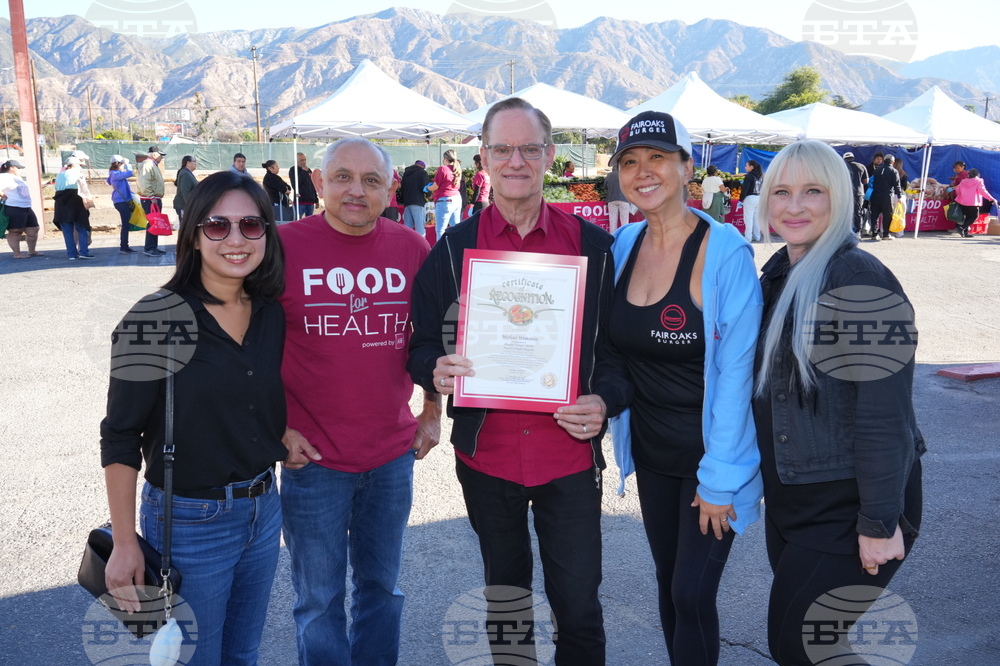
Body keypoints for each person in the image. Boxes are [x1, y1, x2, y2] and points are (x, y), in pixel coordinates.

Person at [407, 97, 632, 665]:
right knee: (505, 602)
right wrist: (433, 370)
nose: (516, 161)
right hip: (488, 458)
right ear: (483, 157)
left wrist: (605, 400)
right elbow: (419, 343)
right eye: (502, 148)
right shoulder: (455, 248)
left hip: (570, 457)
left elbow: (620, 356)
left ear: (549, 157)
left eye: (529, 148)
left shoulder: (594, 248)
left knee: (579, 607)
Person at [100, 170, 288, 665]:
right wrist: (124, 543)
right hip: (189, 521)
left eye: (251, 225)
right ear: (193, 233)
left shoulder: (270, 311)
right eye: (217, 225)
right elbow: (120, 436)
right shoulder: (155, 319)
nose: (235, 239)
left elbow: (251, 396)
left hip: (264, 508)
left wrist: (281, 432)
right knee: (194, 659)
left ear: (267, 232)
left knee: (242, 654)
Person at [753, 139, 923, 665]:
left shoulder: (860, 278)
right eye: (781, 191)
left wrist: (877, 522)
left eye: (813, 191)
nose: (794, 206)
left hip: (849, 507)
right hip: (794, 501)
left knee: (799, 646)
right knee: (818, 647)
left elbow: (885, 415)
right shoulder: (779, 273)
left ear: (842, 199)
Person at [606, 111, 763, 665]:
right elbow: (609, 352)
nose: (642, 171)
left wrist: (719, 478)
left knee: (691, 593)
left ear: (686, 167)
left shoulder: (725, 255)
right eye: (629, 161)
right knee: (669, 583)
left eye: (657, 158)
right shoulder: (622, 245)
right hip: (652, 454)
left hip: (711, 459)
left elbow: (738, 377)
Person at [277, 137, 440, 666]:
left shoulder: (413, 250)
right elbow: (246, 350)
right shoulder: (280, 247)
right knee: (318, 600)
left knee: (381, 590)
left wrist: (432, 412)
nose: (356, 190)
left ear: (391, 190)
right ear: (319, 183)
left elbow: (432, 342)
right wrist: (275, 428)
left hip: (391, 456)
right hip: (313, 461)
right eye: (342, 177)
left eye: (371, 180)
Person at [0, 159, 42, 258]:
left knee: (34, 229)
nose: (19, 170)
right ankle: (17, 254)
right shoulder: (3, 177)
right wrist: (2, 195)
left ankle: (32, 251)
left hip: (25, 207)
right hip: (13, 207)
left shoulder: (16, 177)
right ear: (12, 168)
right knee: (16, 231)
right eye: (18, 168)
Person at [54, 156, 94, 260]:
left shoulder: (59, 175)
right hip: (76, 201)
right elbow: (84, 189)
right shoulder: (78, 174)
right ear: (75, 165)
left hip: (60, 202)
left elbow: (56, 188)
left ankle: (71, 254)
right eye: (80, 165)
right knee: (82, 227)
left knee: (67, 230)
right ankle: (83, 252)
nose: (81, 167)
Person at [137, 145, 167, 256]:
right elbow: (144, 182)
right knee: (152, 223)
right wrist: (151, 196)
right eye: (160, 155)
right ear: (154, 154)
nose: (161, 158)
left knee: (155, 223)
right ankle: (149, 248)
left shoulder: (152, 164)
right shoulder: (147, 164)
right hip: (150, 199)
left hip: (153, 198)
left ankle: (153, 246)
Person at [427, 149, 461, 238]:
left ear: (445, 159)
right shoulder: (457, 169)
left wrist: (427, 188)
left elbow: (435, 186)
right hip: (457, 199)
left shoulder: (443, 169)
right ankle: (457, 251)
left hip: (445, 200)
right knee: (456, 230)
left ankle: (441, 252)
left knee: (440, 231)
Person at [954, 167, 996, 237]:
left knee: (968, 217)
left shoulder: (963, 181)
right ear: (977, 174)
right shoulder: (978, 181)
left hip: (963, 201)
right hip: (973, 202)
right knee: (974, 217)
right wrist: (991, 198)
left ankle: (965, 232)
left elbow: (958, 190)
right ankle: (961, 227)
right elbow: (983, 191)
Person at [868, 154, 902, 240]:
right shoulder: (894, 171)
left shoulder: (877, 170)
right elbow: (897, 185)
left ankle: (874, 234)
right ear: (893, 162)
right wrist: (899, 196)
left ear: (884, 161)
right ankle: (886, 234)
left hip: (875, 195)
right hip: (887, 196)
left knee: (874, 215)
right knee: (887, 215)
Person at [107, 155, 136, 254]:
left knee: (126, 224)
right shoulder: (116, 174)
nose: (123, 165)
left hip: (120, 201)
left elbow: (108, 181)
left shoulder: (113, 174)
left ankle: (125, 246)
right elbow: (130, 173)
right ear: (118, 164)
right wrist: (127, 164)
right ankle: (124, 247)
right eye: (121, 163)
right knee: (125, 224)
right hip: (121, 201)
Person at [843, 152, 868, 235]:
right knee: (858, 212)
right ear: (853, 158)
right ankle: (857, 232)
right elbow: (865, 181)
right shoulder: (861, 166)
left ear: (844, 159)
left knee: (844, 212)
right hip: (858, 192)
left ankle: (845, 232)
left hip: (844, 192)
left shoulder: (841, 166)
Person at [400, 160, 430, 231]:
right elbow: (425, 187)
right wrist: (429, 195)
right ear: (423, 167)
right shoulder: (423, 173)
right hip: (418, 202)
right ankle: (421, 242)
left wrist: (403, 200)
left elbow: (402, 188)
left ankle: (407, 242)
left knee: (407, 228)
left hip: (407, 203)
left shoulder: (406, 173)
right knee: (420, 227)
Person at [288, 152, 318, 219]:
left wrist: (316, 199)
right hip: (300, 201)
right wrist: (303, 172)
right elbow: (295, 184)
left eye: (305, 160)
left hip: (310, 201)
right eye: (302, 160)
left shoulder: (308, 170)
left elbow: (312, 185)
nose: (304, 162)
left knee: (310, 222)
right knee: (297, 221)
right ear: (296, 161)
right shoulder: (293, 170)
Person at [740, 160, 763, 242]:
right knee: (756, 218)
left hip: (750, 198)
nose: (745, 167)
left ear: (751, 167)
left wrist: (741, 200)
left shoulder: (749, 176)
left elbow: (745, 189)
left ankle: (748, 237)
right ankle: (757, 236)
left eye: (746, 165)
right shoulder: (760, 176)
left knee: (748, 219)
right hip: (759, 197)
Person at [173, 154, 198, 226]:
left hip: (185, 205)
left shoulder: (187, 173)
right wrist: (190, 205)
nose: (196, 163)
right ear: (188, 163)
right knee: (185, 226)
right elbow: (185, 191)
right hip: (183, 205)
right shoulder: (185, 174)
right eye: (194, 161)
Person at [604, 168, 630, 233]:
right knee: (624, 221)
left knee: (612, 221)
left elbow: (605, 186)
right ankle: (625, 236)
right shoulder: (625, 174)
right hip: (624, 199)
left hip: (611, 199)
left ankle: (613, 237)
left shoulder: (609, 175)